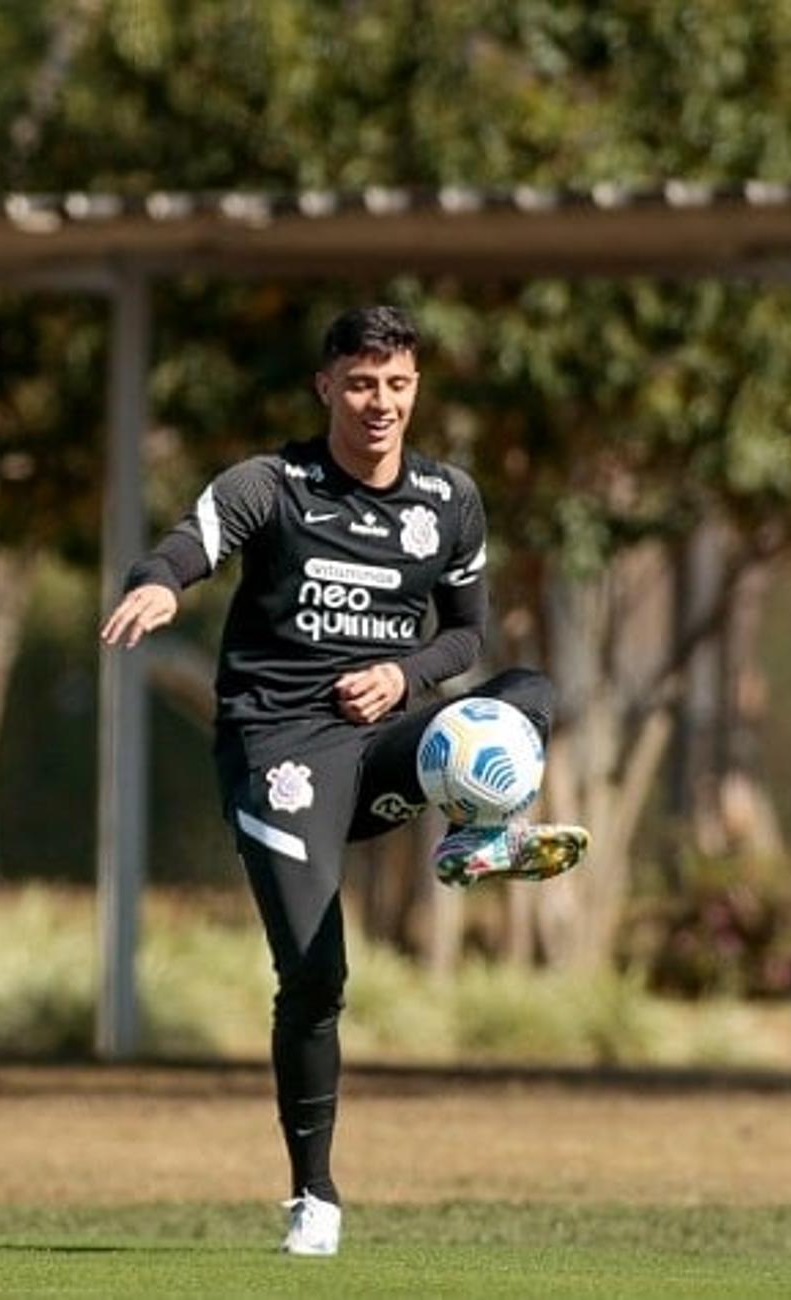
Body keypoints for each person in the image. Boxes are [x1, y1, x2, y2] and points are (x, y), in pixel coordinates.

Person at [99, 305, 589, 1258]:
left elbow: (466, 634)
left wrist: (406, 677)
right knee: (316, 975)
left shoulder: (449, 500)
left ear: (416, 390)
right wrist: (159, 582)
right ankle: (314, 1196)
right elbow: (187, 541)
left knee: (527, 691)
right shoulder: (272, 485)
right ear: (327, 385)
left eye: (398, 384)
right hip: (275, 754)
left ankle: (481, 831)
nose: (380, 404)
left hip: (382, 745)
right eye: (361, 383)